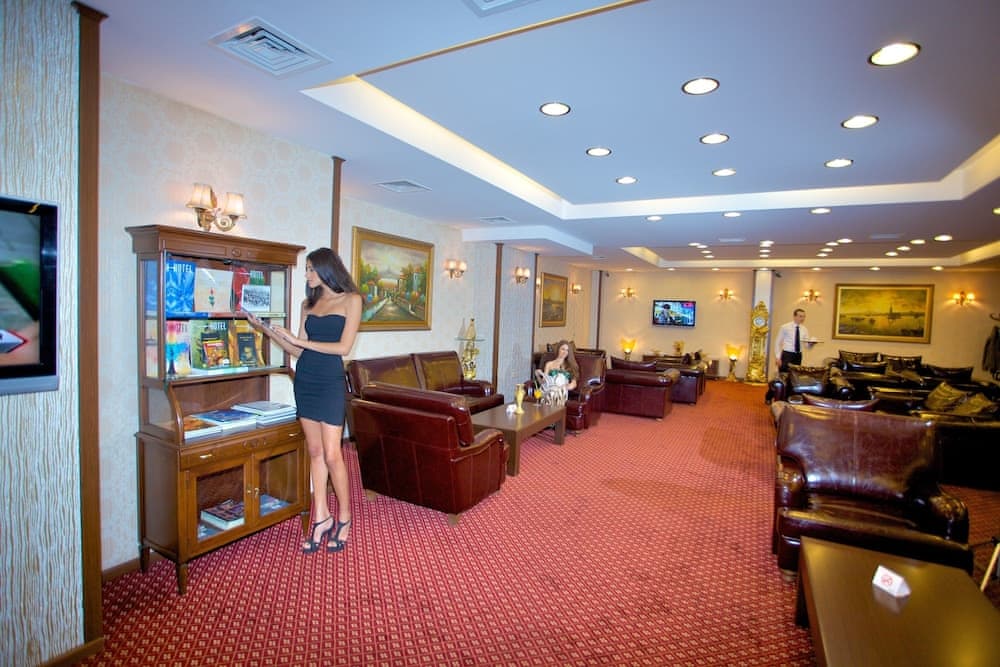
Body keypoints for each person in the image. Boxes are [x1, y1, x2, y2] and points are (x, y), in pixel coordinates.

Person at [245, 247, 361, 554]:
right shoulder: (307, 304)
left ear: (326, 269)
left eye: (310, 269)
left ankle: (345, 517)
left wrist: (299, 340)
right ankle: (321, 517)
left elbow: (343, 348)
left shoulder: (351, 300)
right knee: (315, 451)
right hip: (306, 380)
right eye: (306, 269)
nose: (307, 275)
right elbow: (297, 350)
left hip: (330, 381)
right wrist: (266, 330)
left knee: (333, 454)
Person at [774, 308, 812, 373]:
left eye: (804, 316)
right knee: (784, 374)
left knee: (796, 375)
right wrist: (778, 357)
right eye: (800, 316)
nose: (802, 318)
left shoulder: (804, 329)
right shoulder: (785, 327)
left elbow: (807, 346)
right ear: (794, 316)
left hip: (798, 355)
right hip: (787, 354)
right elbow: (777, 342)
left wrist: (811, 344)